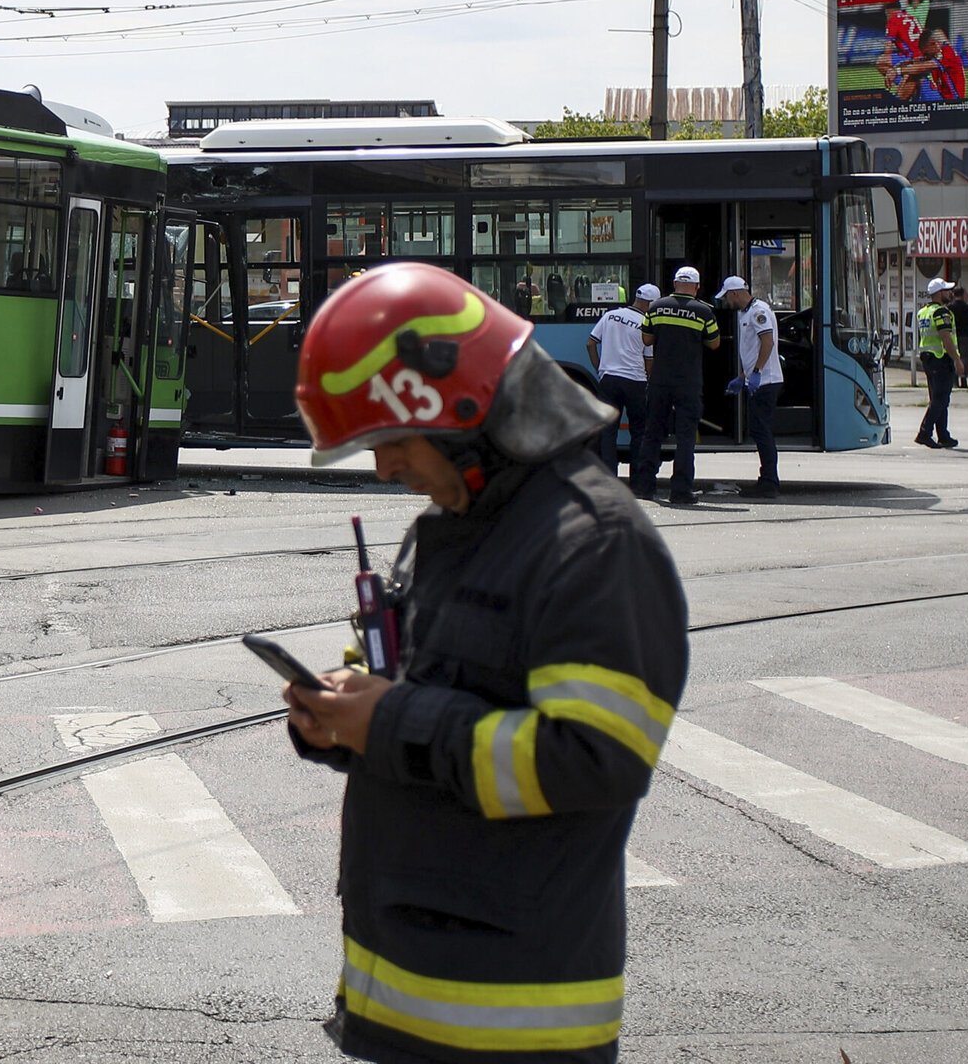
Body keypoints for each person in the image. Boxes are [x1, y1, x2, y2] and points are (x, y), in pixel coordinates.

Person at [284, 261, 690, 1064]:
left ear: (461, 413)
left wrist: (387, 720)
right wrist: (342, 712)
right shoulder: (455, 523)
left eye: (390, 443)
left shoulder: (595, 546)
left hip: (511, 1024)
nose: (384, 470)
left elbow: (595, 759)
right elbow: (410, 678)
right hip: (412, 994)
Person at [631, 265, 721, 506]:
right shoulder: (703, 312)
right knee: (685, 437)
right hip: (688, 383)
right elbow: (714, 344)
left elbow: (647, 338)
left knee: (652, 434)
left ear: (674, 284)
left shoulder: (656, 307)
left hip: (660, 380)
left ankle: (644, 487)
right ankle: (680, 491)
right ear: (696, 287)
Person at [715, 276, 784, 498]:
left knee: (761, 431)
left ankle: (769, 483)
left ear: (735, 293)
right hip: (759, 379)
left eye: (726, 296)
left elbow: (767, 342)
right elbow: (754, 351)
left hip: (766, 382)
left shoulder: (757, 312)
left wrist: (756, 373)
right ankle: (767, 479)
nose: (726, 301)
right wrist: (742, 377)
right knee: (759, 430)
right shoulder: (746, 313)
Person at [587, 283, 658, 478]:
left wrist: (599, 368)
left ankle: (609, 478)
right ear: (649, 303)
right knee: (638, 431)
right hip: (635, 381)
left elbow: (591, 342)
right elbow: (649, 359)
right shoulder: (646, 323)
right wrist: (647, 379)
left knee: (608, 431)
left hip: (609, 379)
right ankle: (637, 480)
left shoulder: (611, 315)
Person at [915, 277, 960, 448]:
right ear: (939, 293)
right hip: (941, 358)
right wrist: (957, 359)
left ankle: (943, 435)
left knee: (939, 398)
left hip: (928, 358)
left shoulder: (923, 311)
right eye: (947, 290)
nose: (950, 293)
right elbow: (946, 337)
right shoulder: (941, 312)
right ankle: (924, 433)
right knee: (940, 399)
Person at [948, 284, 968, 387]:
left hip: (953, 335)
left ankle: (955, 380)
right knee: (965, 357)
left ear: (953, 294)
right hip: (965, 335)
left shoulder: (950, 308)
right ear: (963, 295)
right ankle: (963, 379)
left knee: (954, 356)